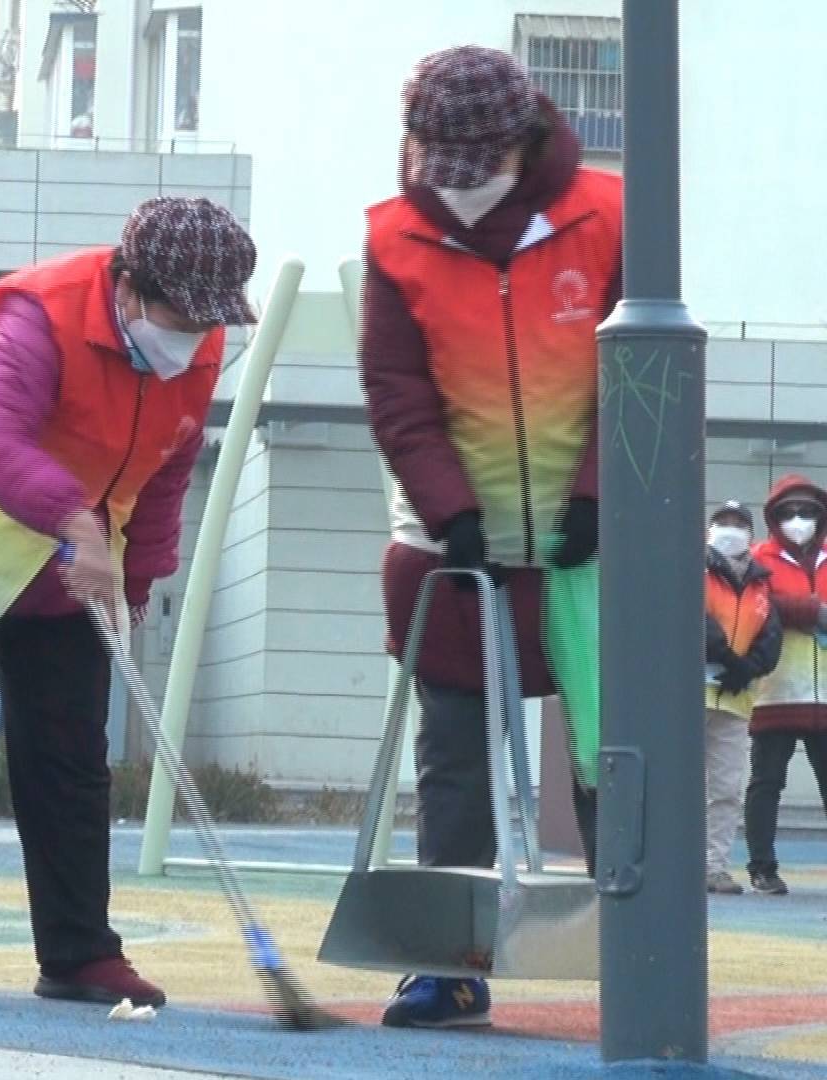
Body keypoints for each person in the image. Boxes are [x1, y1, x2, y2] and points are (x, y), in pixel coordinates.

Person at [0, 196, 255, 1006]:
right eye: (182, 316)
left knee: (72, 761)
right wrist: (76, 521)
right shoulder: (41, 316)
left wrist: (135, 584)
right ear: (132, 290)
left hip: (66, 557)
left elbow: (167, 467)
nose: (198, 337)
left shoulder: (200, 348)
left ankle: (77, 951)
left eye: (213, 321)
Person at [356, 45, 621, 1029]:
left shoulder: (608, 215)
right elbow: (396, 388)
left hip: (581, 548)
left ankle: (633, 945)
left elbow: (631, 377)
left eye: (475, 167)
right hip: (451, 551)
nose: (457, 192)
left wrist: (597, 494)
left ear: (522, 143)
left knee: (609, 749)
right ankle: (447, 959)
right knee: (457, 760)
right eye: (440, 166)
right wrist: (448, 509)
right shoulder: (396, 241)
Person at [746, 474, 827, 896]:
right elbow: (758, 604)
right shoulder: (759, 558)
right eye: (789, 512)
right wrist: (811, 610)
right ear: (774, 518)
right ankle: (762, 867)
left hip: (826, 695)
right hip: (774, 691)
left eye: (808, 511)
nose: (799, 519)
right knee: (767, 783)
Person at [703, 501, 782, 895]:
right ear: (709, 527)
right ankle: (675, 862)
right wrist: (725, 656)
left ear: (751, 534)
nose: (730, 529)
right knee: (682, 784)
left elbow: (771, 636)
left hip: (736, 702)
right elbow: (690, 617)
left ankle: (713, 866)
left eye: (738, 523)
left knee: (726, 788)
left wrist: (748, 668)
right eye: (722, 522)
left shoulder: (761, 583)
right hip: (691, 695)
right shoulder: (693, 569)